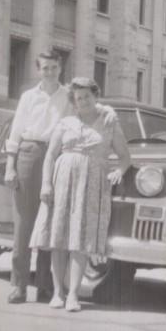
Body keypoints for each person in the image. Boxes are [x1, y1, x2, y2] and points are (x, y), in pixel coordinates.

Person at [31, 77, 132, 312]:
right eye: (79, 98)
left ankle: (73, 295)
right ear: (73, 102)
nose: (83, 101)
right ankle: (57, 292)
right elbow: (50, 156)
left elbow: (125, 156)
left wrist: (119, 170)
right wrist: (46, 184)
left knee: (81, 239)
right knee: (58, 237)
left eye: (87, 96)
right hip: (62, 182)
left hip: (93, 184)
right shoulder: (65, 123)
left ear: (96, 96)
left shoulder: (109, 121)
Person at [3, 50, 70, 304]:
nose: (50, 72)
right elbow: (16, 130)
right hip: (29, 154)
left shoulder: (67, 97)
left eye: (54, 67)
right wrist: (11, 166)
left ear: (60, 68)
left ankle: (44, 287)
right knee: (24, 223)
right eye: (45, 68)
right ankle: (18, 286)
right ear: (38, 70)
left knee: (49, 222)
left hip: (55, 156)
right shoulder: (28, 97)